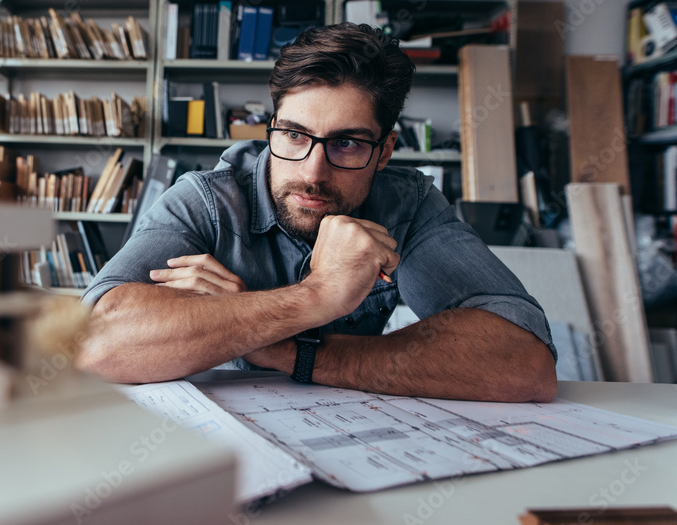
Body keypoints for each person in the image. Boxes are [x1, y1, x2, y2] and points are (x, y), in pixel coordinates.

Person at [77, 23, 557, 403]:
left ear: (385, 151)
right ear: (272, 128)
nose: (312, 172)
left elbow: (524, 363)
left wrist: (279, 349)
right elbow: (92, 343)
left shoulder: (405, 203)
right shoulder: (207, 200)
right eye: (293, 135)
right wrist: (316, 296)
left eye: (346, 143)